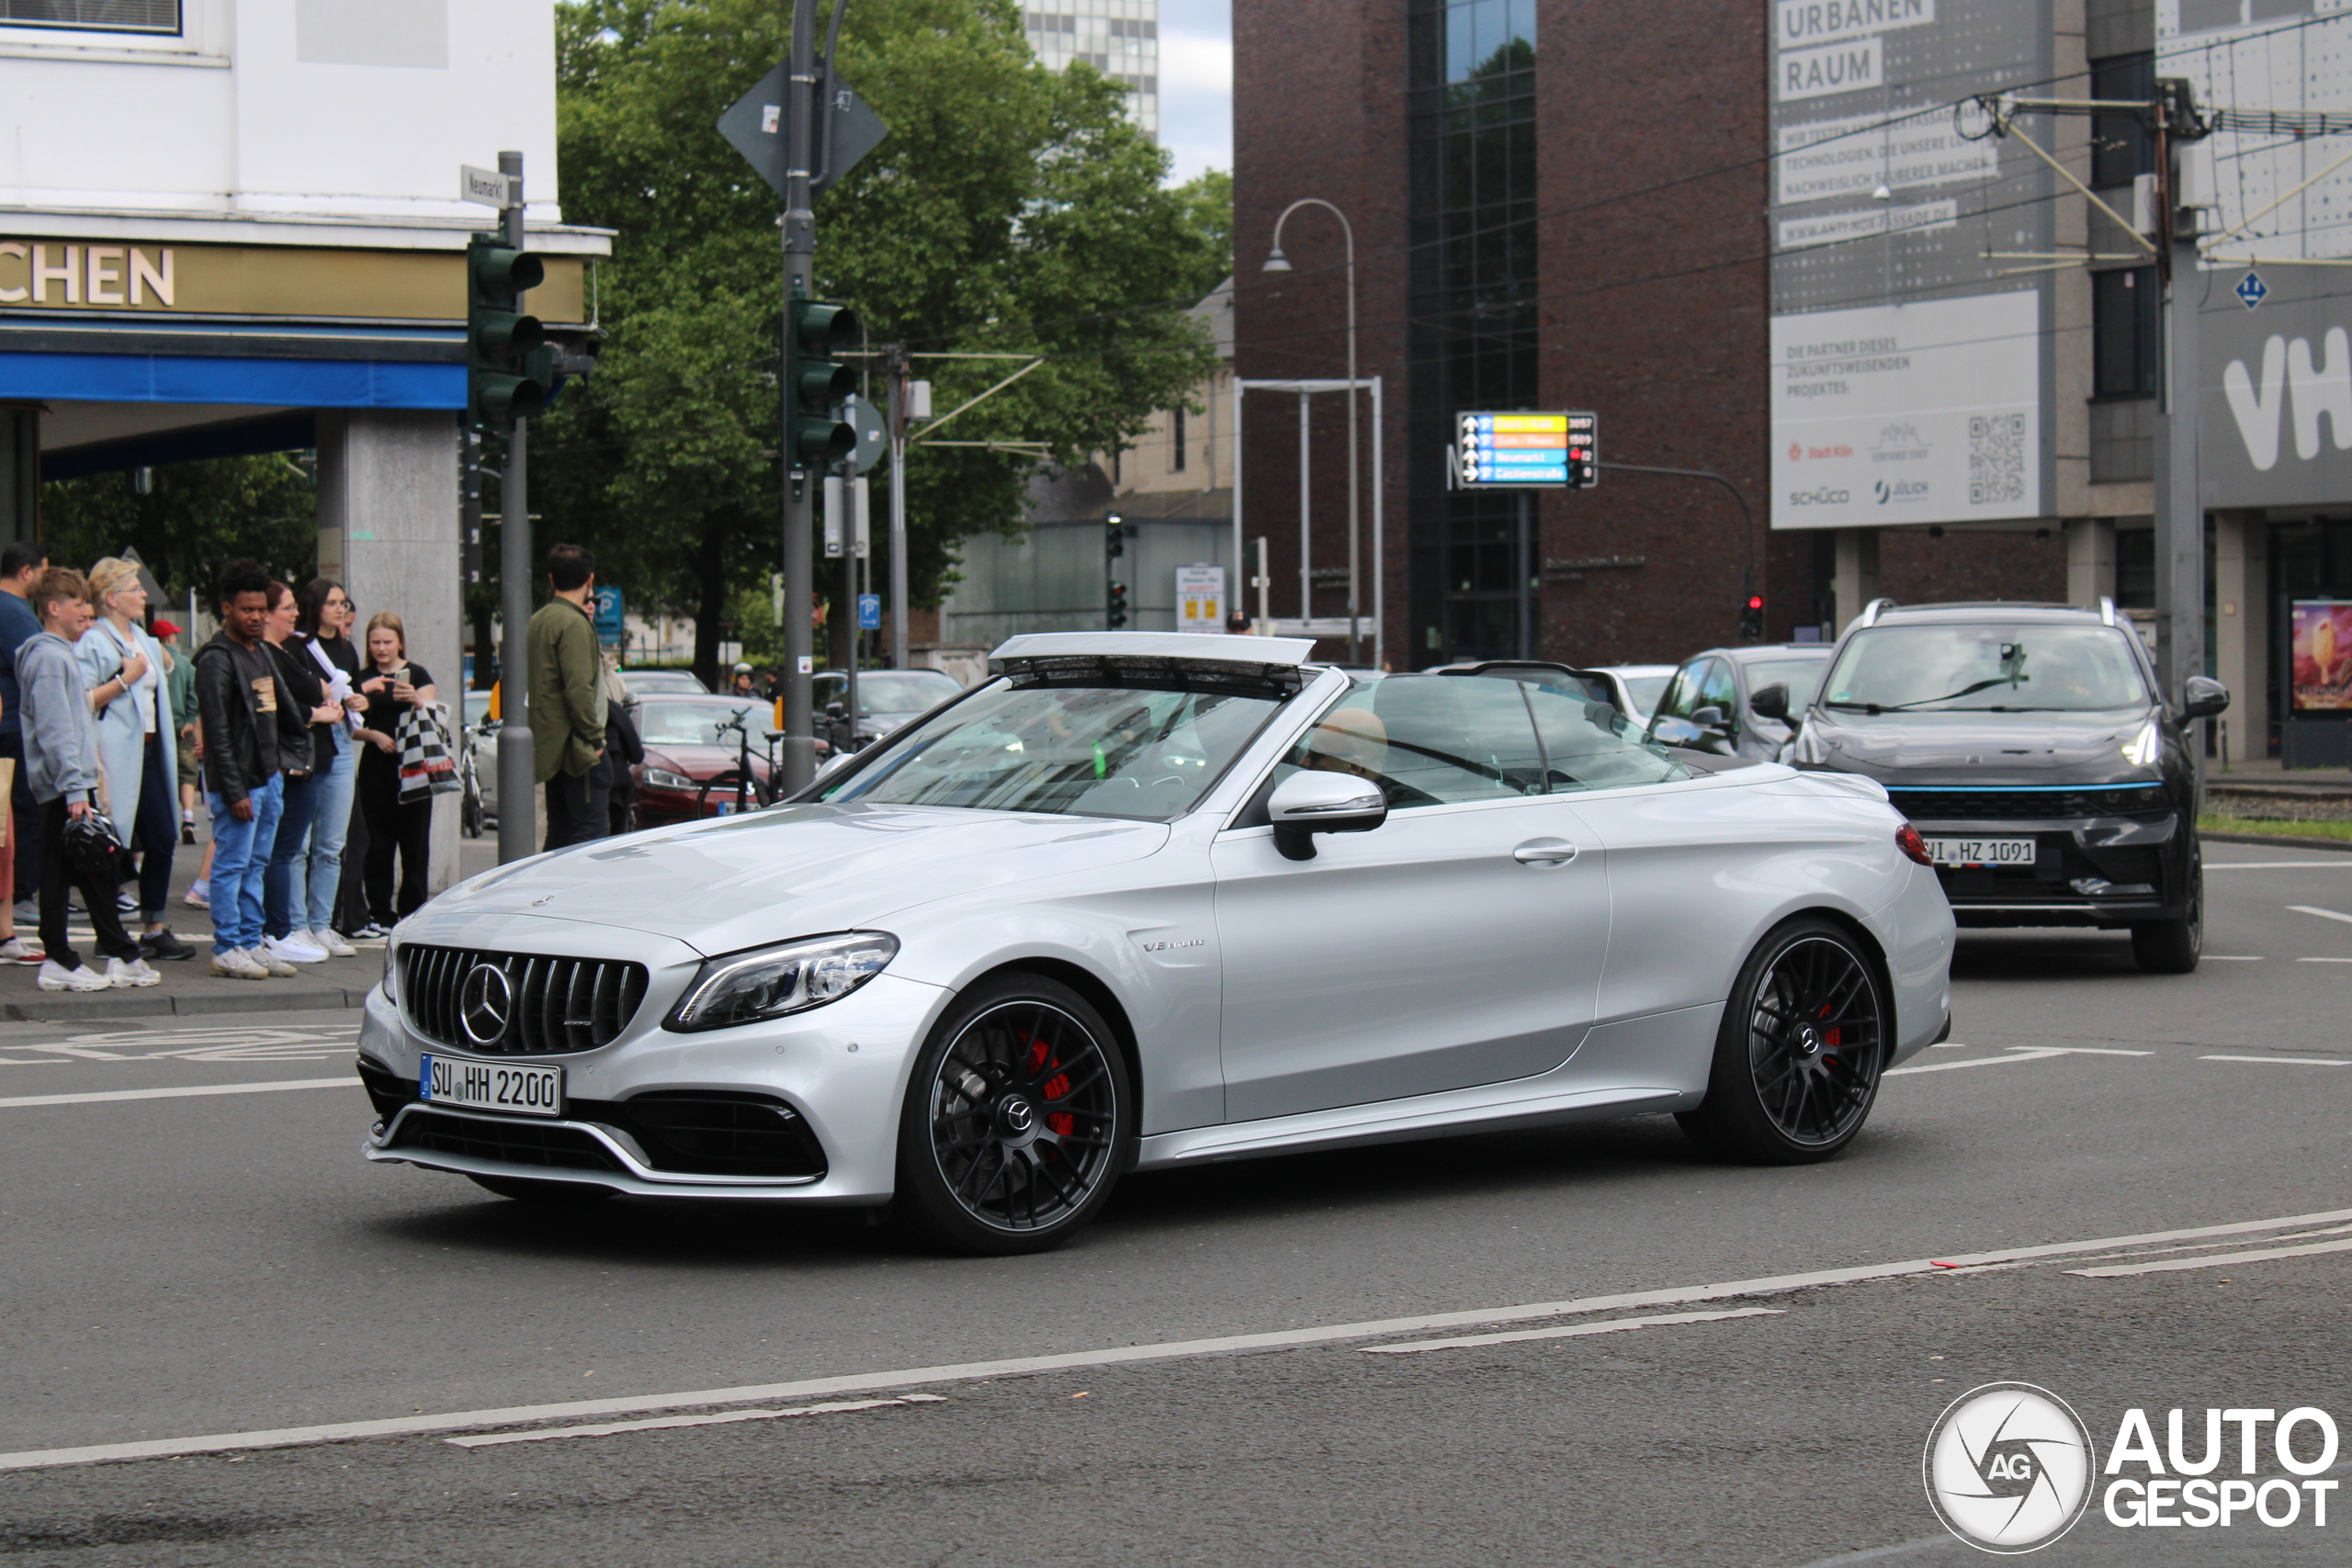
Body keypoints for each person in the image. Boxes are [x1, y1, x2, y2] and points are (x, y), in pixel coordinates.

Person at [18, 567, 157, 991]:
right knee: (81, 866)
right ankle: (74, 956)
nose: (86, 610)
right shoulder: (49, 657)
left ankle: (112, 953)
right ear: (53, 608)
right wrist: (77, 786)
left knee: (86, 867)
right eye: (77, 603)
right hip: (66, 786)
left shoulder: (54, 654)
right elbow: (56, 728)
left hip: (68, 783)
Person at [76, 558, 193, 962]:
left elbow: (164, 676)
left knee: (161, 836)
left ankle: (154, 926)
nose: (144, 594)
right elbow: (83, 702)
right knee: (112, 844)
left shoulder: (143, 638)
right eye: (135, 588)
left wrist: (160, 661)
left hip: (148, 750)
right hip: (112, 758)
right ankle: (108, 929)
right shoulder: (92, 641)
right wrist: (125, 677)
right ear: (111, 598)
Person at [196, 558, 293, 980]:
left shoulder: (259, 653)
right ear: (226, 609)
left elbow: (276, 712)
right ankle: (227, 946)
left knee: (256, 863)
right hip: (240, 782)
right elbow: (217, 734)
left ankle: (252, 941)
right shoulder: (217, 659)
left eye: (260, 610)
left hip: (269, 776)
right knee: (232, 864)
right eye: (246, 610)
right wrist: (234, 791)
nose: (255, 617)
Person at [259, 581, 345, 966]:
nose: (294, 614)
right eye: (287, 608)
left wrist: (325, 701)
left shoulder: (287, 651)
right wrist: (317, 713)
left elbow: (309, 692)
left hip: (308, 755)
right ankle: (282, 928)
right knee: (284, 850)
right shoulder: (272, 652)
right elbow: (281, 706)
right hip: (290, 760)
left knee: (305, 847)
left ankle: (296, 926)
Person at [351, 610, 435, 931]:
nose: (381, 648)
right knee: (377, 844)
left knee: (415, 844)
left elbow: (434, 714)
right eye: (375, 642)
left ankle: (413, 911)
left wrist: (415, 698)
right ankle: (380, 912)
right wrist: (373, 735)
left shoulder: (417, 673)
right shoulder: (363, 679)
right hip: (376, 767)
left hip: (414, 767)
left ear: (400, 641)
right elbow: (349, 724)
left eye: (388, 641)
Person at [292, 579, 362, 956]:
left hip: (341, 743)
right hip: (311, 740)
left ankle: (322, 923)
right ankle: (296, 923)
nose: (340, 609)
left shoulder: (347, 648)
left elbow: (350, 688)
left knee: (332, 844)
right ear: (314, 607)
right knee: (301, 843)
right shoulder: (301, 648)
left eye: (343, 602)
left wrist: (358, 700)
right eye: (332, 603)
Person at [529, 543, 609, 850]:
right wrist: (595, 739)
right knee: (590, 838)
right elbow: (578, 689)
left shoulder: (539, 620)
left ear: (552, 580)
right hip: (578, 751)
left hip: (552, 748)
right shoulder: (574, 622)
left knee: (558, 835)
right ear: (590, 579)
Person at [0, 540, 48, 961]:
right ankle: (23, 895)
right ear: (27, 572)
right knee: (19, 821)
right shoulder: (17, 615)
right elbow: (35, 668)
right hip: (14, 730)